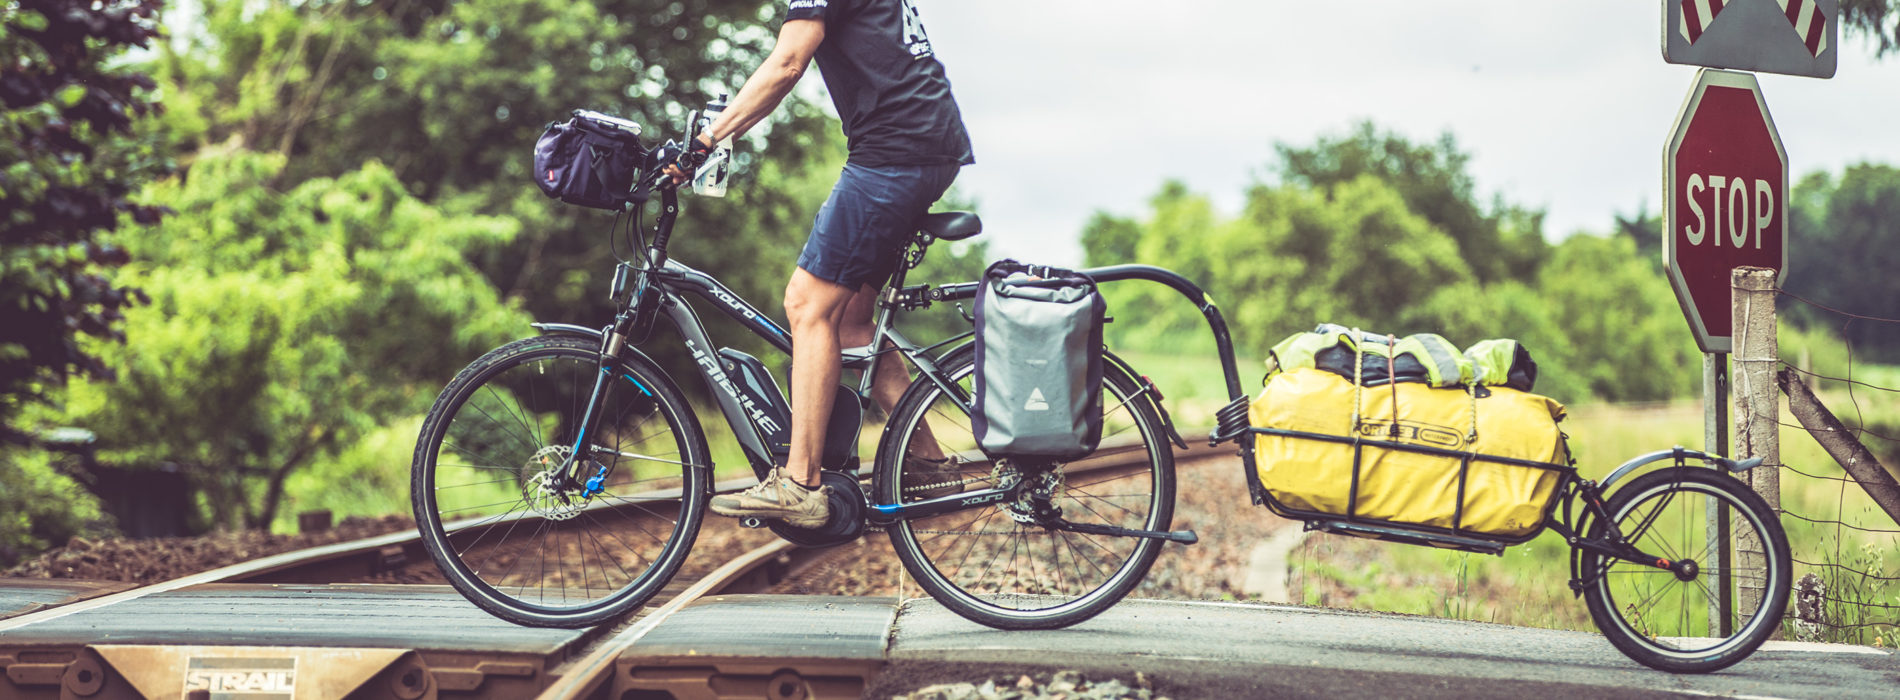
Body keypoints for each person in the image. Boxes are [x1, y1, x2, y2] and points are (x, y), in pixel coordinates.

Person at [671, 0, 974, 528]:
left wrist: (706, 139)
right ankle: (927, 463)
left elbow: (788, 63)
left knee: (807, 305)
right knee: (852, 322)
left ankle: (801, 484)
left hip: (893, 153)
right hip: (922, 146)